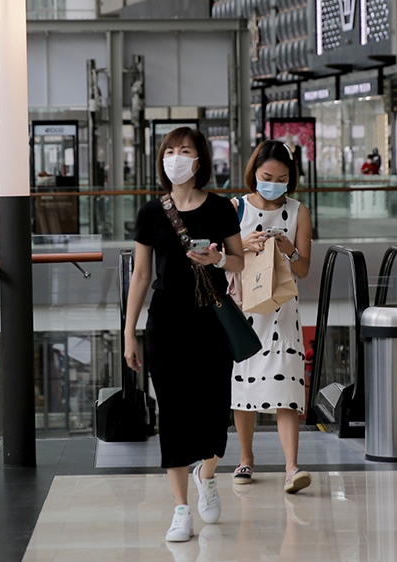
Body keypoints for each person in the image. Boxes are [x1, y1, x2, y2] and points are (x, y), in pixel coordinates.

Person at [123, 126, 245, 543]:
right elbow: (140, 276)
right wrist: (129, 333)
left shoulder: (220, 209)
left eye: (184, 150)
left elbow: (239, 262)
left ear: (199, 160)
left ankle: (206, 474)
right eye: (169, 151)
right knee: (172, 415)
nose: (175, 157)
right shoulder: (150, 213)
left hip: (209, 323)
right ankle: (180, 509)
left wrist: (217, 257)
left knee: (214, 414)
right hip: (166, 324)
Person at [230, 140, 313, 494]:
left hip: (282, 310)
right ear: (255, 173)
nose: (274, 184)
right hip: (246, 308)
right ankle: (245, 458)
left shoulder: (298, 211)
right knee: (244, 385)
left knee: (286, 387)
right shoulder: (235, 208)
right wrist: (243, 245)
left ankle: (291, 468)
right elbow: (220, 258)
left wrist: (288, 248)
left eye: (281, 178)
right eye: (267, 176)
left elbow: (305, 269)